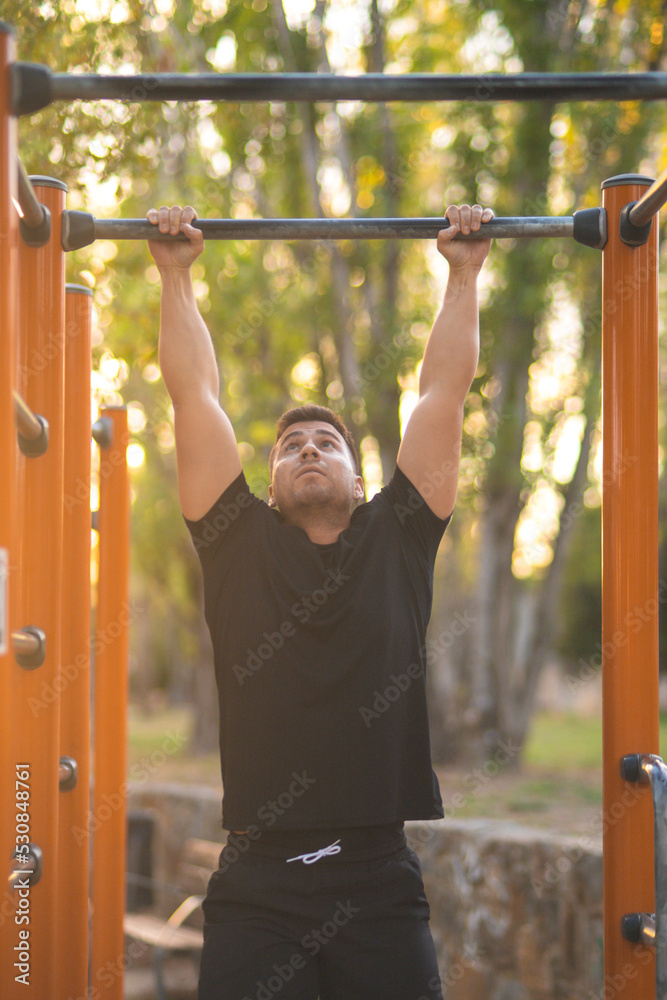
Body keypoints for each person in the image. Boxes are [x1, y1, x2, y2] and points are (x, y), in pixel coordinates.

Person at [147, 201, 494, 1000]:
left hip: (375, 878)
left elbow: (442, 392)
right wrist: (174, 276)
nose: (308, 447)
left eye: (326, 442)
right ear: (267, 488)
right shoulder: (235, 542)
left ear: (359, 481)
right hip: (257, 884)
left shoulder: (401, 535)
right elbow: (194, 393)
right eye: (290, 446)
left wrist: (464, 273)